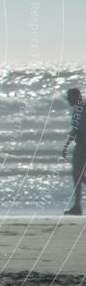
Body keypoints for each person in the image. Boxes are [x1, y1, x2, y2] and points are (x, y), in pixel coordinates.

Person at [62, 88, 85, 216]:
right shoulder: (78, 110)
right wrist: (66, 145)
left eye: (69, 97)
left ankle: (77, 206)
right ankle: (77, 206)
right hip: (81, 144)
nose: (68, 100)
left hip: (83, 145)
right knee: (78, 174)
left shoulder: (81, 109)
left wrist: (66, 146)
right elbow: (74, 131)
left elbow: (77, 130)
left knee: (77, 174)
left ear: (76, 96)